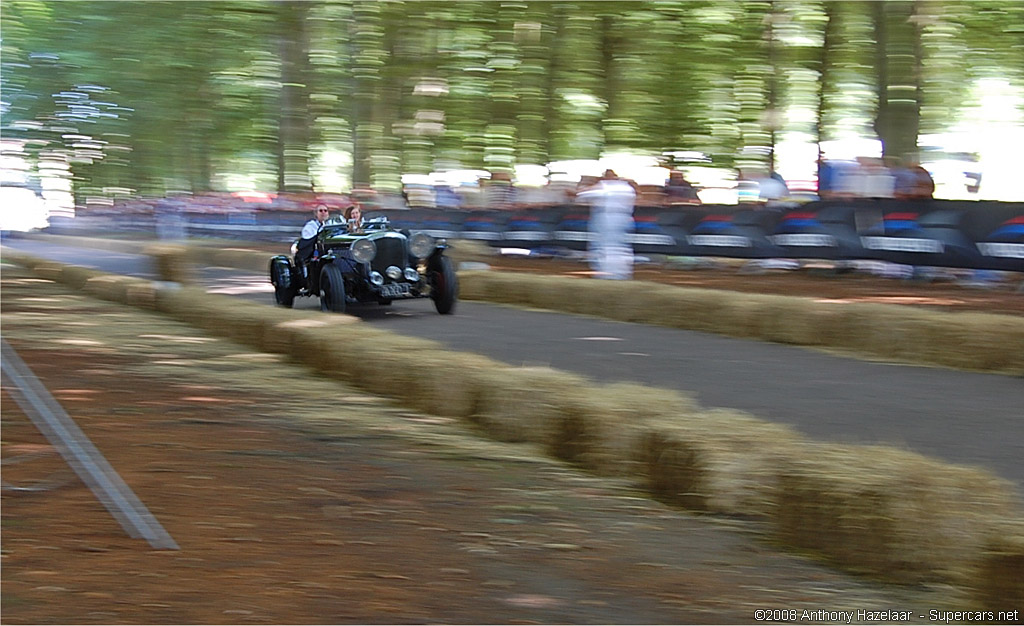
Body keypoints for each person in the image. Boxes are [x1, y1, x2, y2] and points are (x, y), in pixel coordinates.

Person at [577, 169, 636, 280]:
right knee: (620, 246)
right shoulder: (627, 187)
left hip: (607, 217)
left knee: (605, 246)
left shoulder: (605, 186)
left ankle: (608, 273)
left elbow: (582, 194)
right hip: (623, 217)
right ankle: (622, 272)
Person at [296, 204, 331, 272]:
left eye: (325, 211)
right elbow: (309, 240)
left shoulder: (332, 224)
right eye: (321, 211)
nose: (323, 212)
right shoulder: (310, 226)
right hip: (315, 253)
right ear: (316, 214)